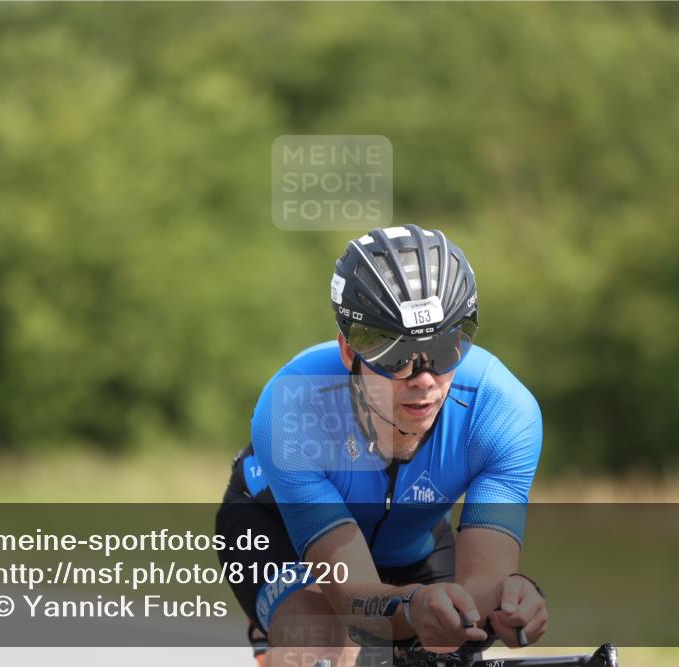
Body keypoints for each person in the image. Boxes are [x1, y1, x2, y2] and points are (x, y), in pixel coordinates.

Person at [216, 225, 547, 667]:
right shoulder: (292, 406)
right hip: (276, 529)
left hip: (413, 540)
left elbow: (485, 583)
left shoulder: (502, 412)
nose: (425, 379)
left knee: (453, 647)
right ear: (349, 353)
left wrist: (508, 603)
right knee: (327, 645)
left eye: (447, 348)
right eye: (398, 356)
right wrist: (410, 609)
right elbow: (354, 600)